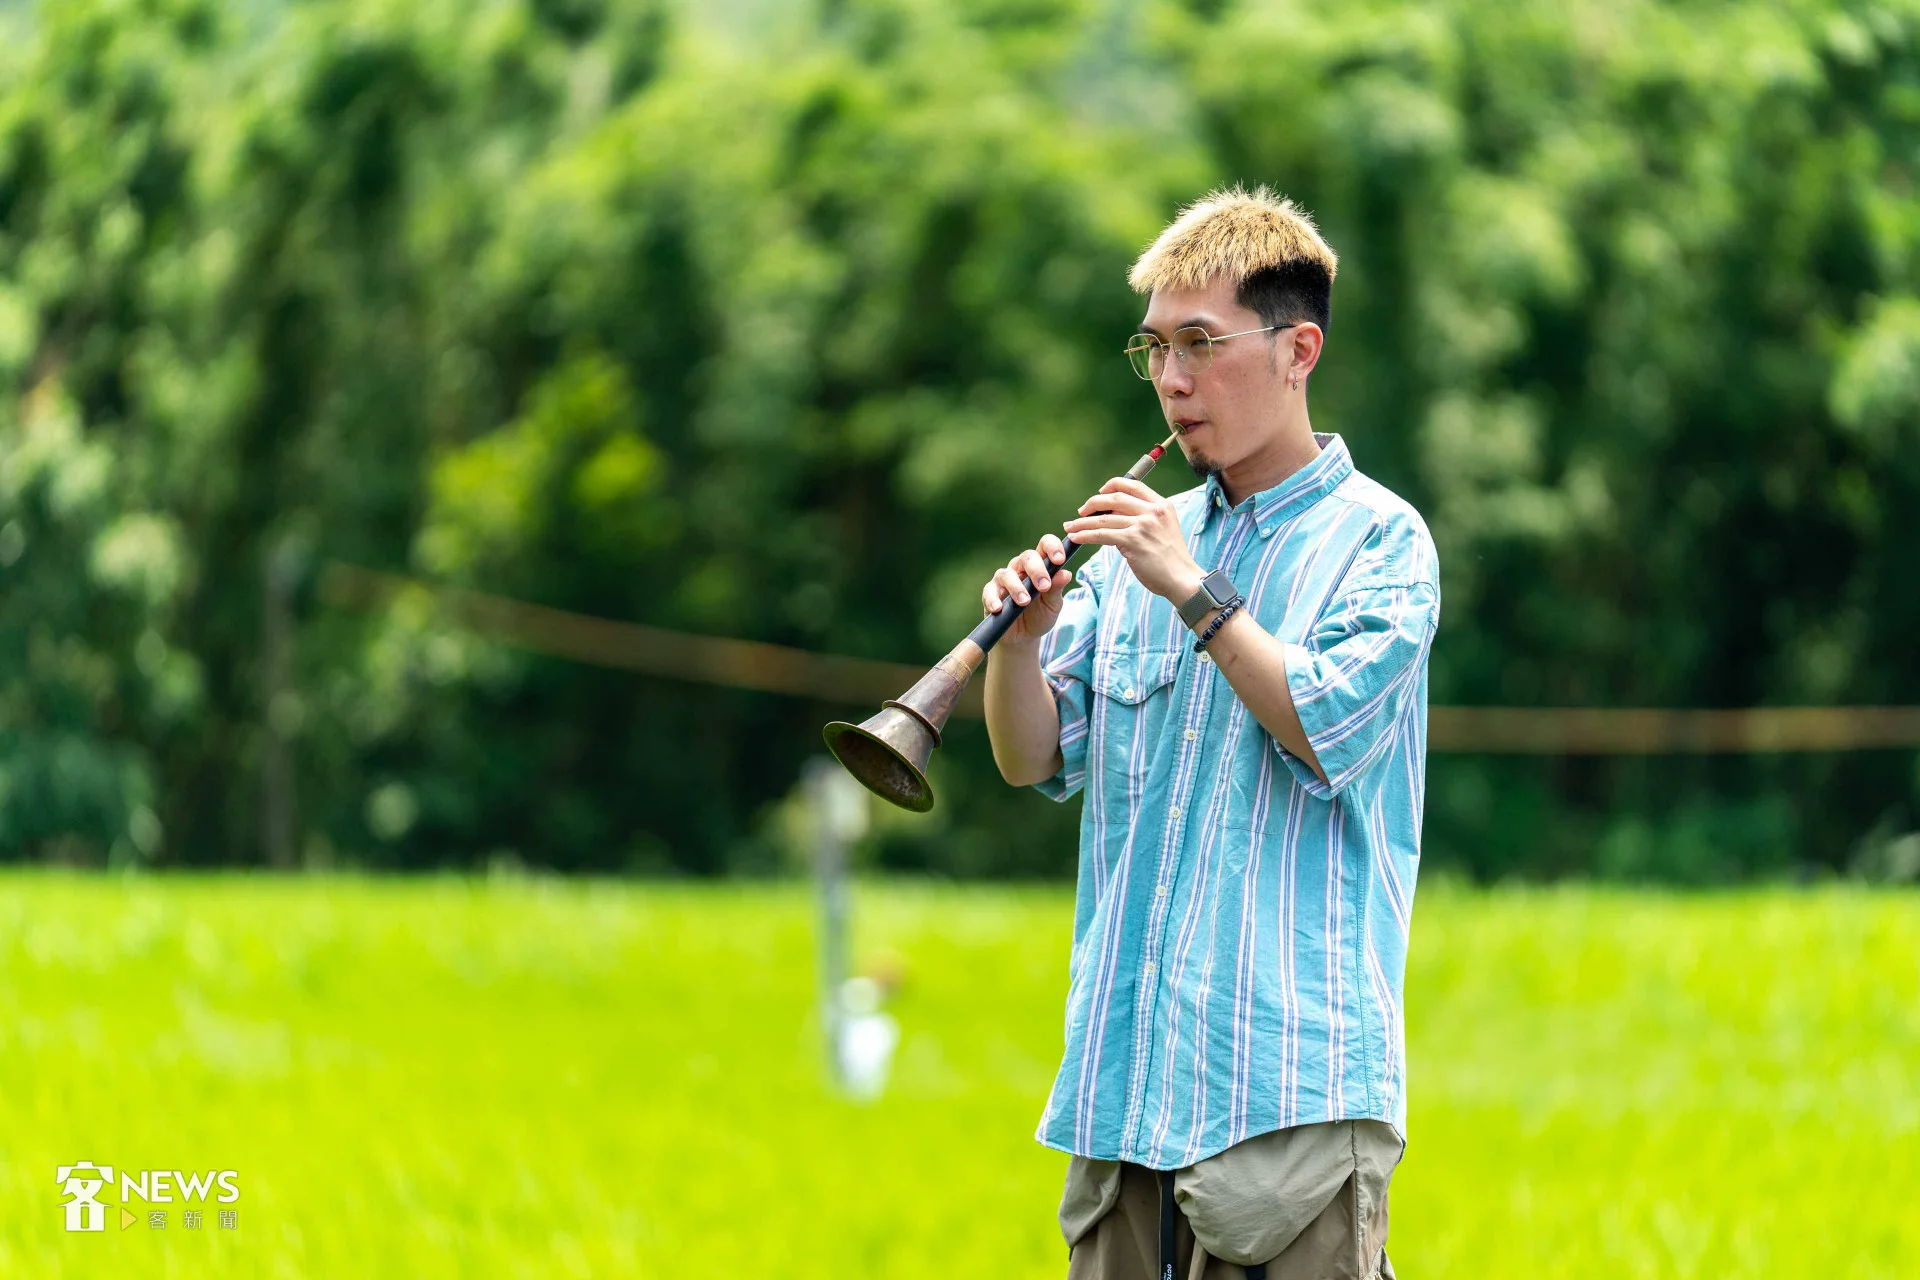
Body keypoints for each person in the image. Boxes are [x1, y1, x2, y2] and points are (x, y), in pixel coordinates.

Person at [981, 187, 1440, 1279]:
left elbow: (1323, 728)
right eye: (1155, 350)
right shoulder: (1147, 542)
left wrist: (1191, 587)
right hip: (1123, 1091)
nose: (1175, 380)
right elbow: (1029, 756)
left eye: (1201, 344)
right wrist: (1018, 641)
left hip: (1288, 1106)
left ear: (1299, 350)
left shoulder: (1383, 543)